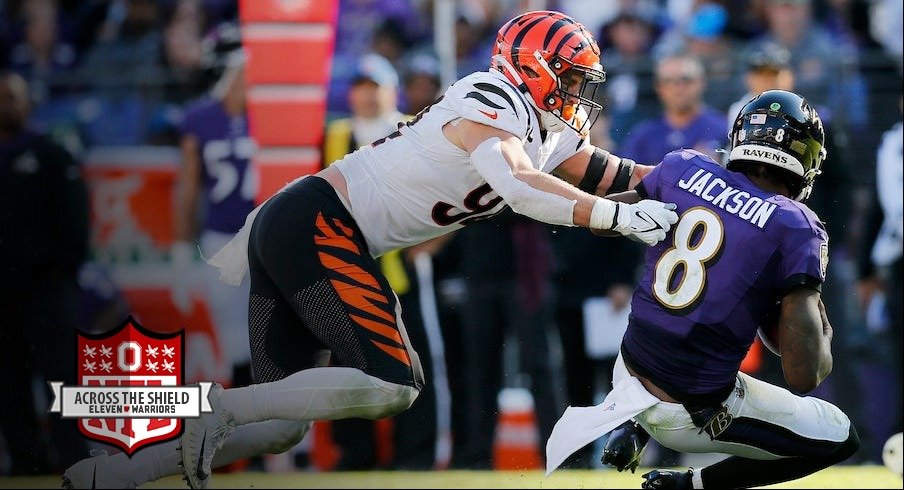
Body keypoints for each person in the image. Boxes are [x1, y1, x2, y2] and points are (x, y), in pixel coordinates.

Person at [62, 10, 679, 488]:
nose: (579, 93)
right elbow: (518, 185)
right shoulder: (491, 97)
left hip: (307, 227)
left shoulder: (543, 128)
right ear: (533, 69)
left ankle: (116, 473)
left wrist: (696, 183)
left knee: (280, 428)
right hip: (320, 223)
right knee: (393, 382)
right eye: (570, 78)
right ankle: (219, 407)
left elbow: (614, 171)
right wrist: (624, 220)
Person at [545, 90, 861, 489]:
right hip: (688, 409)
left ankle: (634, 422)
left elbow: (603, 221)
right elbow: (804, 373)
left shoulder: (684, 167)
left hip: (628, 370)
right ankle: (691, 484)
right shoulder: (795, 224)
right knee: (839, 435)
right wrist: (816, 312)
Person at [0, 71, 89, 474]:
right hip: (3, 293)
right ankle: (26, 465)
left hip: (46, 289)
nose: (7, 105)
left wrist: (61, 274)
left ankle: (75, 465)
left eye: (13, 98)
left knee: (61, 379)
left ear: (26, 103)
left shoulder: (51, 152)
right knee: (8, 385)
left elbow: (75, 219)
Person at [171, 22, 255, 387]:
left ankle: (290, 441)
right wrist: (179, 250)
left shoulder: (271, 113)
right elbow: (188, 188)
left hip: (267, 232)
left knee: (271, 335)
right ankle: (251, 428)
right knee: (235, 338)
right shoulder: (201, 118)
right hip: (222, 237)